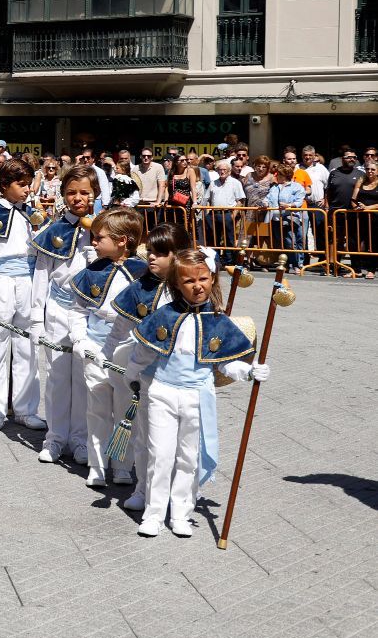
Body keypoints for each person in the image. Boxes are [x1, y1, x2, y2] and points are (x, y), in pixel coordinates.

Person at [128, 248, 269, 538]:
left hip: (198, 395)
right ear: (176, 285)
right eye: (189, 281)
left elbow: (226, 364)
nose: (197, 286)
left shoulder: (217, 320)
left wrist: (249, 371)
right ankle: (154, 513)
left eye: (203, 279)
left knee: (188, 456)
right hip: (162, 393)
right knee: (160, 454)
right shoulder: (164, 316)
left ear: (212, 279)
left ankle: (181, 512)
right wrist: (131, 376)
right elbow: (142, 352)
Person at [103, 221, 191, 512]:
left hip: (182, 377)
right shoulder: (140, 287)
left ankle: (180, 495)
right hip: (145, 375)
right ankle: (144, 487)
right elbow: (119, 328)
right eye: (150, 251)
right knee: (145, 436)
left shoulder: (193, 289)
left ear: (178, 255)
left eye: (161, 253)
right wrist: (107, 356)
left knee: (182, 443)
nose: (151, 257)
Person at [69, 207, 146, 489]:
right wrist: (80, 340)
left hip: (129, 347)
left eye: (99, 237)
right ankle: (97, 464)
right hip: (96, 343)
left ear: (123, 240)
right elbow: (77, 310)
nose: (93, 242)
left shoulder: (143, 274)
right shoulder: (91, 271)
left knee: (126, 408)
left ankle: (123, 464)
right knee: (97, 406)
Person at [28, 165, 99, 465]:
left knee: (84, 378)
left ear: (95, 194)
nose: (78, 198)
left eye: (84, 192)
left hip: (88, 313)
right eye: (71, 192)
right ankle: (55, 438)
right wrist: (36, 318)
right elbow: (42, 275)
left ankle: (80, 439)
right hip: (58, 309)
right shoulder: (53, 232)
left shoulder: (102, 230)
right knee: (57, 376)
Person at [0, 158, 44, 432]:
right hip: (0, 281)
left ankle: (26, 409)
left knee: (27, 347)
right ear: (4, 185)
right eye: (21, 185)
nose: (27, 190)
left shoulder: (31, 214)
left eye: (28, 184)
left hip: (27, 280)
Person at [351, 159, 378, 278]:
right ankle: (356, 269)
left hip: (375, 218)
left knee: (373, 243)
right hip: (359, 217)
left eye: (373, 169)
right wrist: (356, 207)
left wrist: (368, 207)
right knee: (355, 242)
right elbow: (353, 199)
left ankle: (371, 269)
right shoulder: (360, 181)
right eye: (367, 169)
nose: (370, 171)